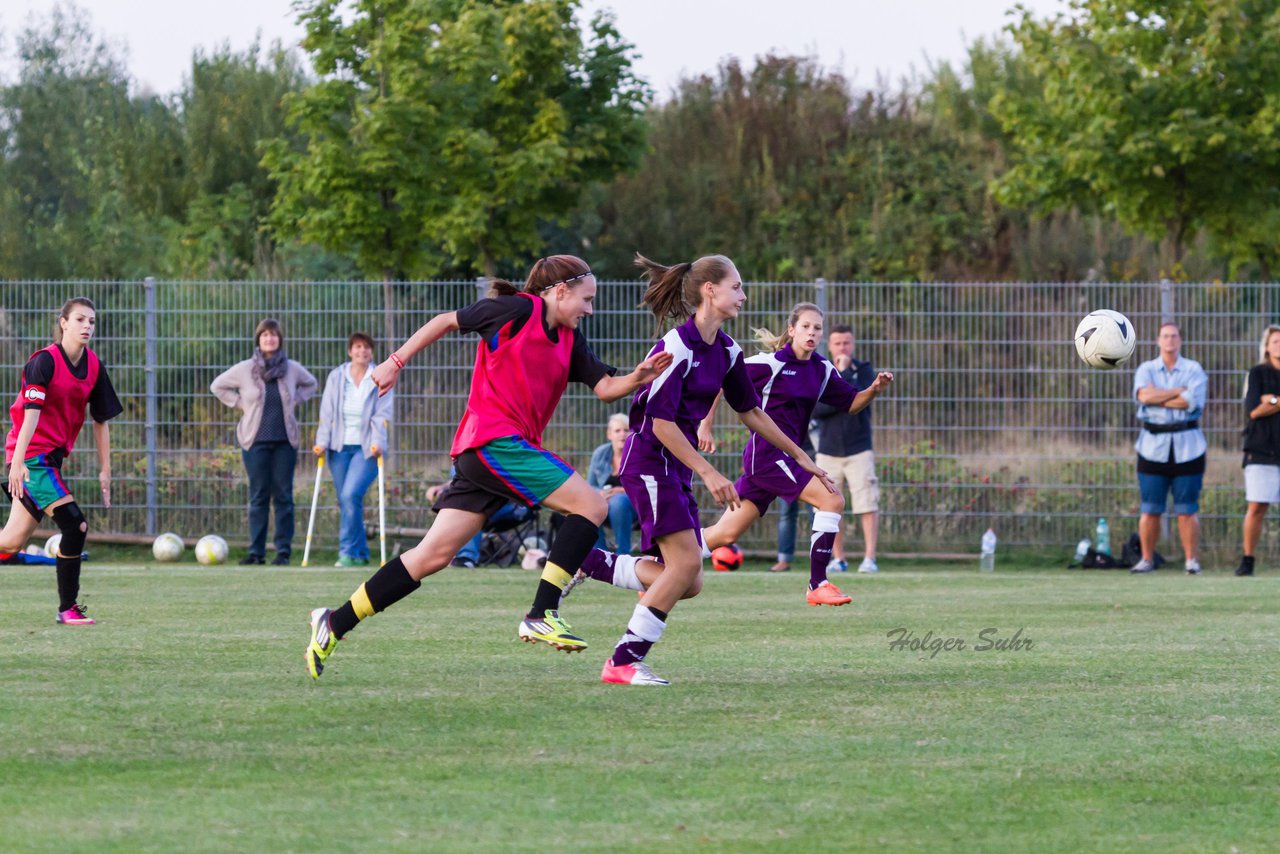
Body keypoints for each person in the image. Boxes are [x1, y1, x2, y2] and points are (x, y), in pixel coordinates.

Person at [302, 255, 673, 680]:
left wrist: (638, 377)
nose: (590, 309)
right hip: (493, 442)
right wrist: (395, 362)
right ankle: (542, 611)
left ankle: (334, 621)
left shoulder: (571, 339)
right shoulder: (517, 310)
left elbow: (606, 388)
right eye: (586, 299)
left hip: (495, 455)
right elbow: (444, 320)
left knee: (432, 556)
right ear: (559, 291)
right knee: (592, 505)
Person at [590, 254, 834, 687]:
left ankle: (590, 562)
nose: (743, 294)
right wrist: (709, 472)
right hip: (647, 462)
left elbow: (752, 412)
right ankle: (623, 662)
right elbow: (661, 425)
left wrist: (801, 456)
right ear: (710, 290)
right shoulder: (675, 346)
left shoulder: (727, 350)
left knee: (690, 581)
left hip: (675, 470)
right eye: (736, 286)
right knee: (683, 568)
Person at [694, 303, 893, 605]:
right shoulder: (769, 363)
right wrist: (705, 423)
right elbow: (724, 379)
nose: (812, 333)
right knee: (832, 498)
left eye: (817, 328)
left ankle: (662, 564)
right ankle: (817, 583)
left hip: (780, 460)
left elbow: (851, 404)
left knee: (724, 535)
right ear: (792, 330)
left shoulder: (821, 369)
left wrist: (874, 389)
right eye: (806, 327)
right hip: (768, 458)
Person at [0, 297, 122, 625]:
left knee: (10, 542)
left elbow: (101, 420)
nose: (87, 326)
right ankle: (67, 608)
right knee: (75, 524)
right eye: (80, 320)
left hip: (50, 461)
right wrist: (18, 463)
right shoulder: (43, 362)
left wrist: (105, 469)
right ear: (64, 323)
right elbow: (30, 416)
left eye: (92, 322)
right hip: (33, 458)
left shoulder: (94, 366)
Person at [211, 319, 318, 566]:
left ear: (279, 339)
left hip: (284, 442)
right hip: (254, 442)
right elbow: (217, 386)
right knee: (258, 495)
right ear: (258, 340)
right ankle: (256, 552)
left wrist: (294, 402)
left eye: (273, 335)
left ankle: (283, 552)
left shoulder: (291, 368)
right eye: (265, 335)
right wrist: (240, 404)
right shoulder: (245, 369)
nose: (269, 339)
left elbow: (311, 383)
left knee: (284, 496)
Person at [1129, 322, 1207, 575]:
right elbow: (1144, 397)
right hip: (1152, 447)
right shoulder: (1146, 369)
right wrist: (1175, 392)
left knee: (1187, 510)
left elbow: (1190, 402)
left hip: (1188, 448)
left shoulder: (1194, 369)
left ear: (1180, 340)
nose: (1170, 340)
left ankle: (1191, 561)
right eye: (1165, 336)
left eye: (1174, 336)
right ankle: (1147, 559)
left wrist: (1159, 397)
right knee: (1150, 508)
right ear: (1158, 340)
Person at [313, 332, 394, 567]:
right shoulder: (337, 377)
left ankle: (347, 552)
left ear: (372, 352)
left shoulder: (380, 376)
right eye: (358, 347)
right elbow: (326, 412)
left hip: (367, 448)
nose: (362, 351)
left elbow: (383, 413)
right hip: (338, 447)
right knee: (347, 500)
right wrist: (321, 441)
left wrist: (379, 440)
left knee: (350, 494)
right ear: (350, 351)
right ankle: (360, 553)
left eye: (367, 347)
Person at [812, 324, 882, 574]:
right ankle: (838, 558)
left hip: (859, 449)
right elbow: (818, 409)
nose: (843, 347)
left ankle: (869, 559)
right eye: (838, 343)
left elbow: (861, 399)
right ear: (829, 346)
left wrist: (843, 387)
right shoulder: (820, 370)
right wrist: (842, 384)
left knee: (867, 503)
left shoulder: (864, 371)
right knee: (829, 505)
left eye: (847, 343)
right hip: (828, 451)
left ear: (852, 345)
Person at [1236, 324, 1280, 577]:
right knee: (1257, 507)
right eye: (1275, 341)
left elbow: (1265, 405)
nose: (1278, 345)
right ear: (1266, 346)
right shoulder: (1257, 373)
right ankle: (1248, 560)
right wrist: (1274, 401)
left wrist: (1271, 400)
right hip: (1261, 450)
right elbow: (1253, 411)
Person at [587, 413, 635, 553]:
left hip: (634, 506)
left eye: (626, 430)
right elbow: (590, 486)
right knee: (589, 505)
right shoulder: (600, 454)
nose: (622, 434)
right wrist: (600, 494)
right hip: (604, 505)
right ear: (609, 434)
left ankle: (623, 555)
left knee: (618, 502)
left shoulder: (638, 453)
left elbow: (645, 486)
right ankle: (601, 555)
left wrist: (621, 491)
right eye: (617, 430)